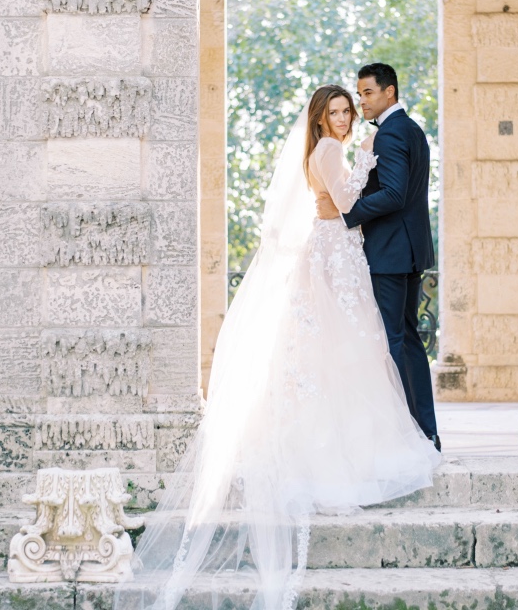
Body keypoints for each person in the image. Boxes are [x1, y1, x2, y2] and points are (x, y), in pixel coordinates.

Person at [116, 84, 441, 610]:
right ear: (319, 119)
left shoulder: (321, 150)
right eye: (334, 112)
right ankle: (347, 448)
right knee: (354, 345)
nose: (342, 118)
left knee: (346, 347)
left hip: (335, 246)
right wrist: (364, 161)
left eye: (346, 111)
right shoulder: (331, 150)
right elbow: (348, 202)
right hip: (336, 246)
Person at [315, 63, 440, 451]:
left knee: (389, 344)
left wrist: (347, 214)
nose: (360, 102)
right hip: (410, 249)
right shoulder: (413, 130)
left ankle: (406, 435)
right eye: (359, 94)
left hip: (389, 253)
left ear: (389, 92)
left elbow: (395, 194)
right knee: (407, 343)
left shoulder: (389, 135)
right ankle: (425, 432)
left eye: (367, 93)